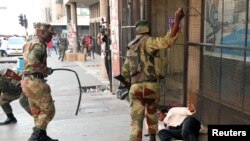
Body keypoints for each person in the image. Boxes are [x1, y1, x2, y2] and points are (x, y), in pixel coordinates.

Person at [121, 8, 185, 141]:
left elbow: (124, 72)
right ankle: (152, 138)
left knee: (136, 123)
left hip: (135, 87)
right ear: (148, 30)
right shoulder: (150, 41)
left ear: (137, 31)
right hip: (151, 86)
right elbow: (167, 41)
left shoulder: (130, 47)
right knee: (152, 115)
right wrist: (177, 19)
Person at [21, 22, 57, 141]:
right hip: (35, 81)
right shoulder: (39, 45)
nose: (51, 37)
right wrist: (46, 70)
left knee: (37, 111)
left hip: (27, 80)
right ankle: (35, 137)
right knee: (48, 110)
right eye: (50, 34)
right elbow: (32, 62)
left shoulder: (29, 43)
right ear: (42, 32)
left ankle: (42, 136)